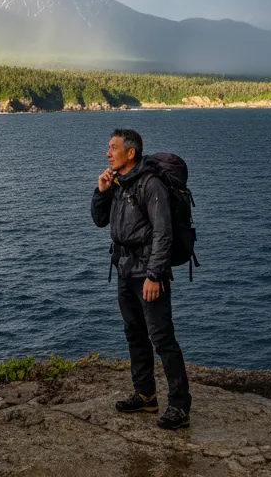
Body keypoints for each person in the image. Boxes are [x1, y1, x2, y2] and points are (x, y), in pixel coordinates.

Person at [91, 127, 192, 430]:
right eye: (108, 147)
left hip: (147, 273)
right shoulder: (119, 182)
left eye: (113, 148)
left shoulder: (150, 185)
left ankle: (179, 405)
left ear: (130, 153)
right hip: (124, 268)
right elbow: (99, 220)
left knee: (162, 338)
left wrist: (154, 275)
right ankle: (146, 394)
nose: (108, 153)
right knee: (135, 333)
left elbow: (164, 233)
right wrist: (101, 191)